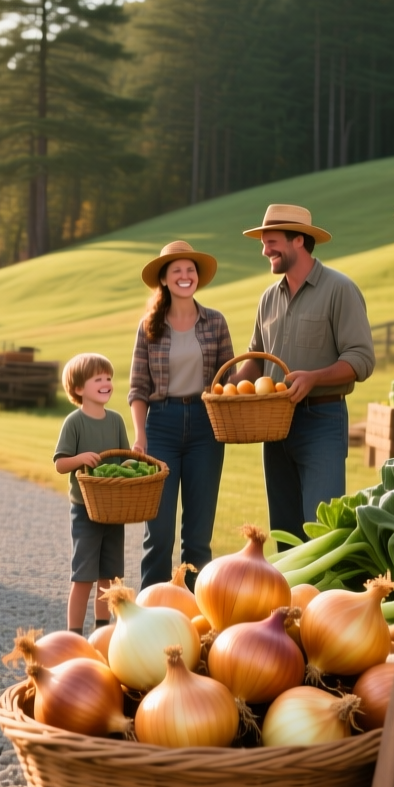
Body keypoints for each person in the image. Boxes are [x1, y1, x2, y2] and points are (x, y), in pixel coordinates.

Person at [229, 205, 375, 542]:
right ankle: (289, 597)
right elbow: (257, 355)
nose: (265, 250)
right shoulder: (268, 299)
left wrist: (314, 377)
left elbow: (362, 359)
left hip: (321, 421)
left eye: (272, 242)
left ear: (299, 240)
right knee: (284, 534)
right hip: (274, 427)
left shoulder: (340, 289)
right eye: (263, 243)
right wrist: (233, 382)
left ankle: (323, 596)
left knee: (323, 532)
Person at [129, 241, 233, 590]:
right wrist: (140, 435)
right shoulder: (149, 327)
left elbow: (229, 382)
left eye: (190, 270)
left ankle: (193, 615)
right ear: (165, 279)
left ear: (197, 278)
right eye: (177, 271)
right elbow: (138, 388)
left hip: (206, 428)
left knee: (198, 537)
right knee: (157, 535)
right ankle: (149, 612)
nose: (185, 276)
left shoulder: (216, 322)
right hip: (161, 427)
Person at [53, 353, 129, 635]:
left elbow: (125, 460)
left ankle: (101, 634)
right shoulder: (74, 422)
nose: (106, 383)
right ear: (78, 389)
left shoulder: (117, 421)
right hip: (85, 509)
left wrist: (138, 461)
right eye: (98, 378)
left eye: (108, 378)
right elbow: (60, 464)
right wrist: (81, 458)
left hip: (114, 510)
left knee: (109, 578)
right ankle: (73, 635)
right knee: (83, 576)